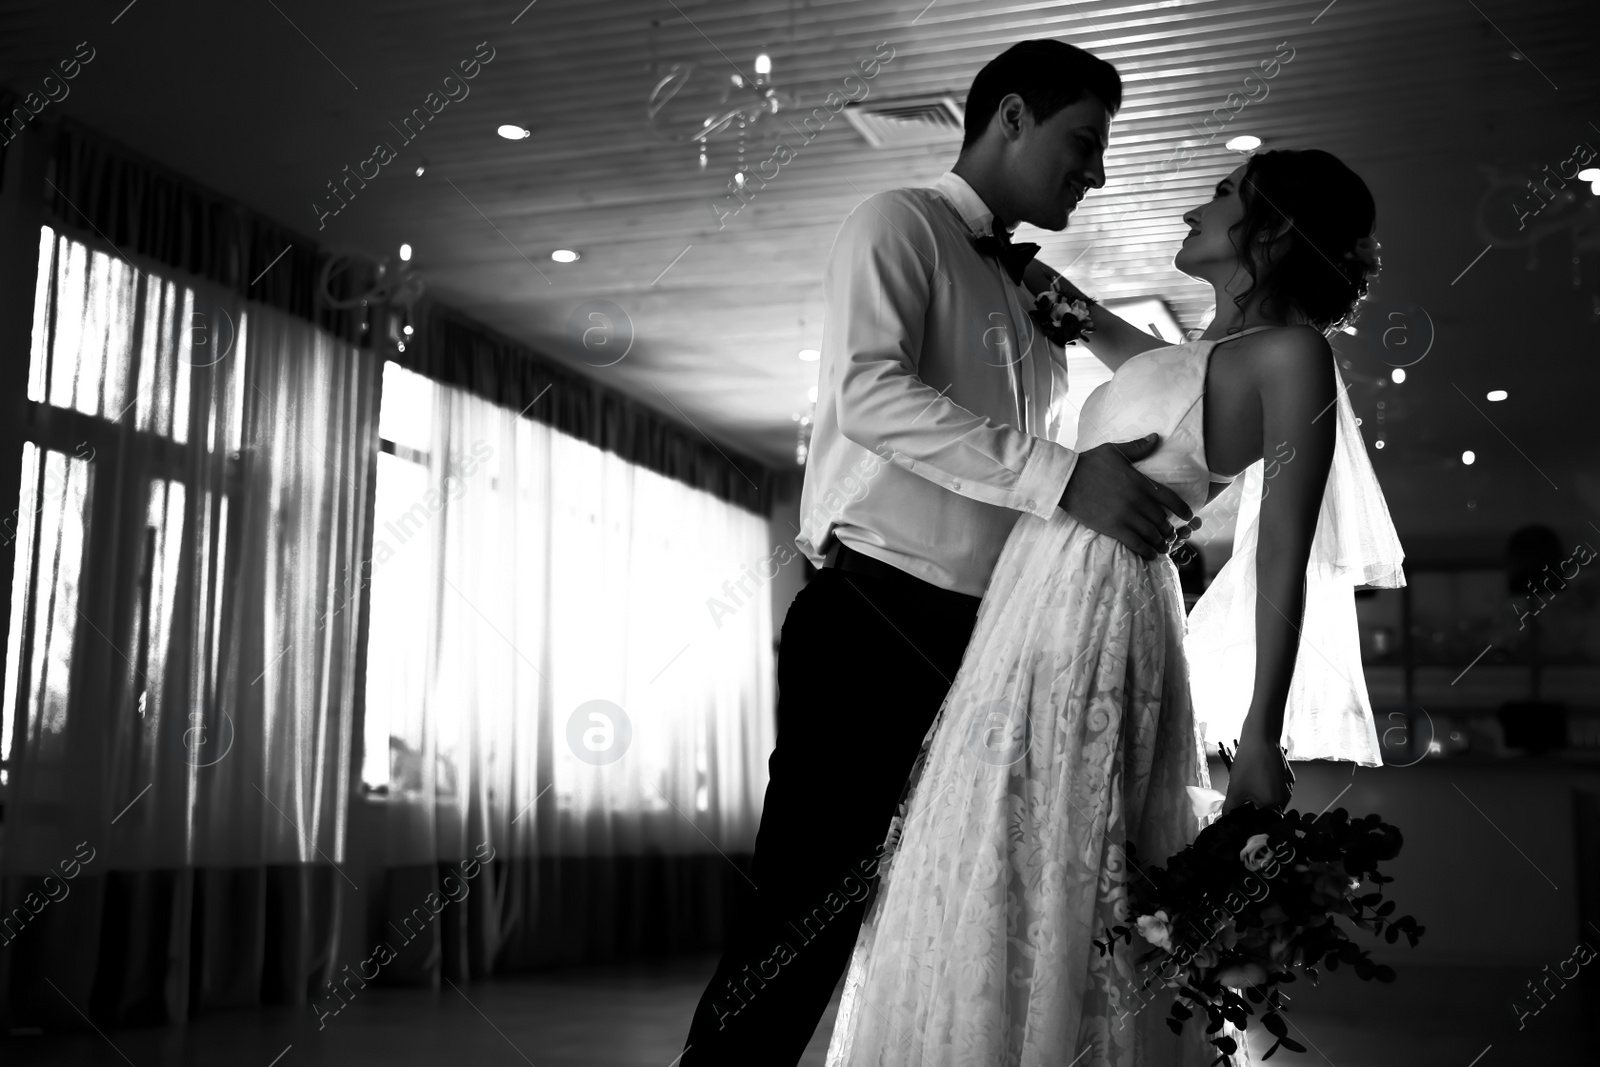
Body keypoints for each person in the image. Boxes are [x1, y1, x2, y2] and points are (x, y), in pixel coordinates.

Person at [679, 40, 1201, 1067]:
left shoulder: (1028, 285)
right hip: (877, 615)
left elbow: (1174, 375)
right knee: (806, 913)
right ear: (1010, 117)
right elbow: (867, 395)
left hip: (993, 635)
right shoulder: (897, 222)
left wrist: (1077, 309)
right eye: (1082, 142)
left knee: (961, 902)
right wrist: (1063, 477)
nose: (1095, 174)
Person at [822, 147, 1400, 1066]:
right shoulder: (1182, 357)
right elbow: (1081, 318)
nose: (1189, 214)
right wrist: (989, 241)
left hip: (1106, 607)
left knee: (1066, 842)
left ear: (1277, 227)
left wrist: (1262, 734)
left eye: (1220, 196)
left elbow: (1284, 559)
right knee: (991, 834)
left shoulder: (1294, 359)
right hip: (1026, 604)